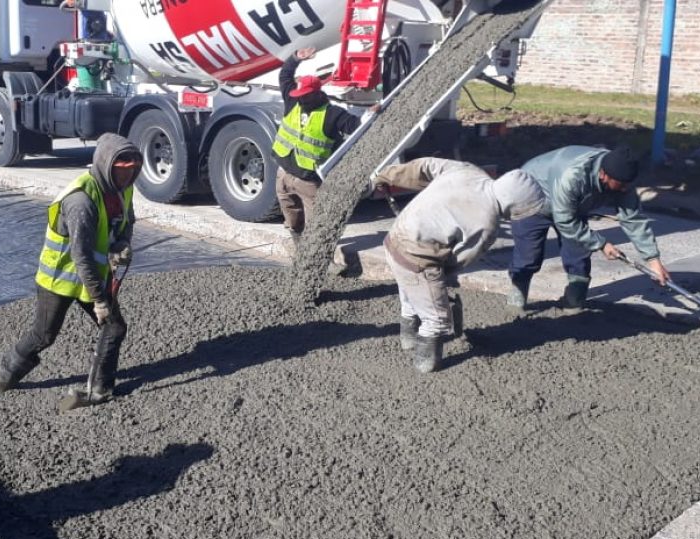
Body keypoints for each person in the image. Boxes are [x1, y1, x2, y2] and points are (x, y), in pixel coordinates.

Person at [0, 133, 141, 407]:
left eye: (132, 171)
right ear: (105, 164)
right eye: (121, 171)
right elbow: (81, 256)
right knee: (43, 336)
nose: (127, 177)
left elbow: (127, 220)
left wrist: (122, 243)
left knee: (114, 328)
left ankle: (100, 389)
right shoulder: (81, 201)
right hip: (59, 280)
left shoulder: (123, 189)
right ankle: (1, 379)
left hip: (88, 279)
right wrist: (100, 300)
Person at [376, 158, 546, 373]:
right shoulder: (487, 223)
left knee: (413, 293)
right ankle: (426, 366)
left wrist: (388, 175)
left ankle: (408, 340)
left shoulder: (468, 171)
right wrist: (439, 282)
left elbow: (426, 166)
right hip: (416, 257)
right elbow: (460, 259)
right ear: (515, 205)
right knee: (436, 319)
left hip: (394, 239)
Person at [507, 145, 670, 311]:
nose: (625, 189)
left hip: (571, 206)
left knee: (578, 253)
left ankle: (574, 301)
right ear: (603, 175)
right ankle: (517, 297)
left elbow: (633, 219)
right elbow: (565, 221)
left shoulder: (621, 177)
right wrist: (601, 244)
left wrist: (653, 260)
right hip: (531, 197)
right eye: (621, 185)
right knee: (528, 255)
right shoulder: (573, 176)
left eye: (627, 185)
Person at [272, 47, 363, 246]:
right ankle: (299, 249)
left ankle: (318, 259)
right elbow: (285, 75)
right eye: (300, 94)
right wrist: (295, 58)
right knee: (293, 221)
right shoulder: (292, 100)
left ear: (315, 94)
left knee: (317, 228)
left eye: (305, 95)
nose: (301, 98)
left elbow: (356, 126)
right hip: (284, 175)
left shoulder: (332, 114)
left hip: (308, 182)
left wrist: (371, 115)